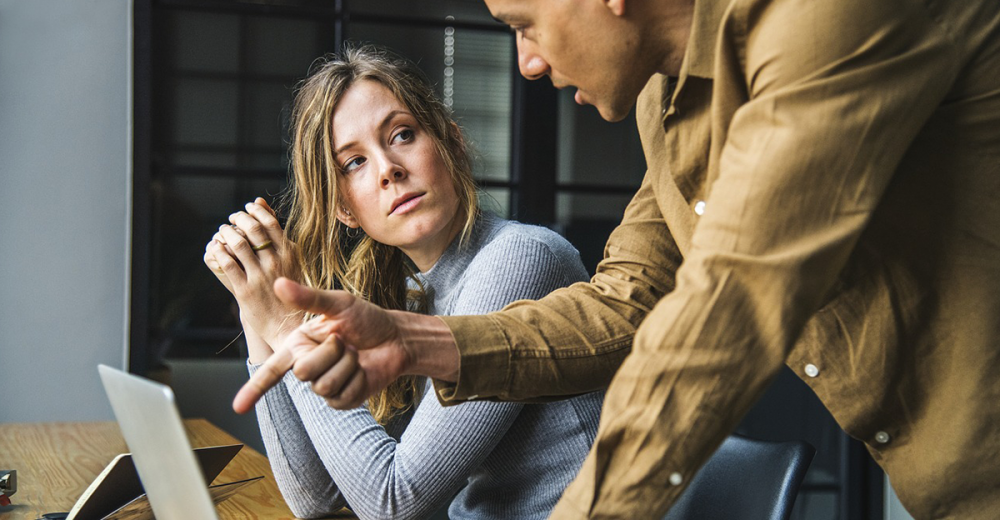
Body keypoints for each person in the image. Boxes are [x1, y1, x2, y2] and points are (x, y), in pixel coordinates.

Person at [237, 0, 1000, 518]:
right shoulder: (665, 104)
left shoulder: (825, 20)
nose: (527, 61)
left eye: (526, 22)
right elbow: (626, 303)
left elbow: (727, 309)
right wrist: (413, 342)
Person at [207, 45, 604, 520]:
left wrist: (287, 325)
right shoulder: (413, 295)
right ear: (344, 209)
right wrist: (256, 302)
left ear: (452, 143)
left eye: (401, 135)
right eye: (353, 162)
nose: (387, 169)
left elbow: (393, 502)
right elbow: (312, 497)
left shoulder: (520, 258)